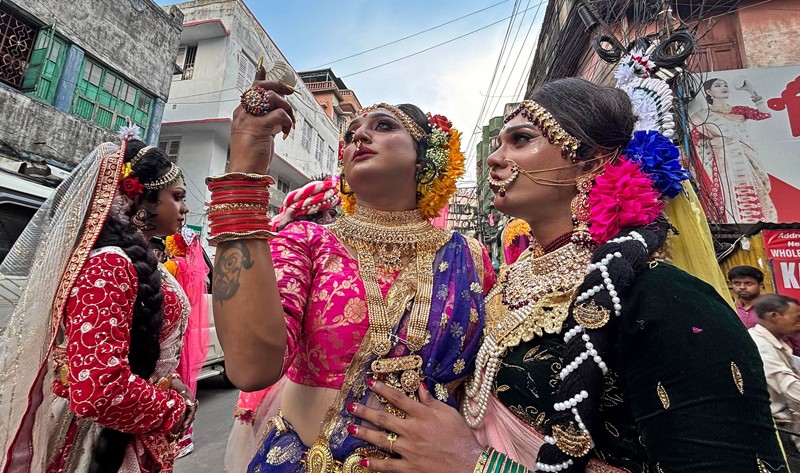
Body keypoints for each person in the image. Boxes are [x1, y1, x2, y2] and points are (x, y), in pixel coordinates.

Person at [347, 78, 787, 472]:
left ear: (593, 160)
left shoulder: (662, 296)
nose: (495, 160)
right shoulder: (501, 284)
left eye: (521, 139)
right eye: (498, 144)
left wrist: (475, 464)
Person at [208, 65, 494, 472]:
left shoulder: (471, 256)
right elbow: (251, 368)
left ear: (424, 159)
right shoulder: (308, 240)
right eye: (352, 133)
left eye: (383, 126)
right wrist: (247, 168)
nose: (359, 135)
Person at [0, 131, 197, 472]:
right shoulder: (110, 263)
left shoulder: (141, 262)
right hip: (95, 442)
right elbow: (99, 389)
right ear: (142, 199)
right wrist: (173, 409)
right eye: (177, 196)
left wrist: (167, 381)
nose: (185, 208)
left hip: (130, 429)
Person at [224, 175, 341, 473]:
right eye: (334, 215)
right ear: (320, 217)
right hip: (288, 375)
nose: (338, 222)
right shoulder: (298, 244)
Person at [691, 77, 776, 223]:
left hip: (745, 156)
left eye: (725, 85)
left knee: (753, 191)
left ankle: (759, 224)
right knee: (726, 193)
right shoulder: (701, 116)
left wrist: (751, 91)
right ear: (709, 92)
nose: (724, 87)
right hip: (723, 160)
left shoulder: (738, 110)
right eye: (718, 86)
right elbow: (697, 140)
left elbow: (764, 114)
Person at [163, 228, 210, 459]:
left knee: (171, 377)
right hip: (189, 328)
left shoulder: (173, 267)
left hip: (173, 328)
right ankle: (185, 437)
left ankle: (173, 435)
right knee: (186, 378)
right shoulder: (194, 269)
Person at [749, 294, 800, 469]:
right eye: (796, 318)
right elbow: (792, 389)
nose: (799, 323)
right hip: (779, 430)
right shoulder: (761, 347)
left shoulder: (776, 343)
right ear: (774, 316)